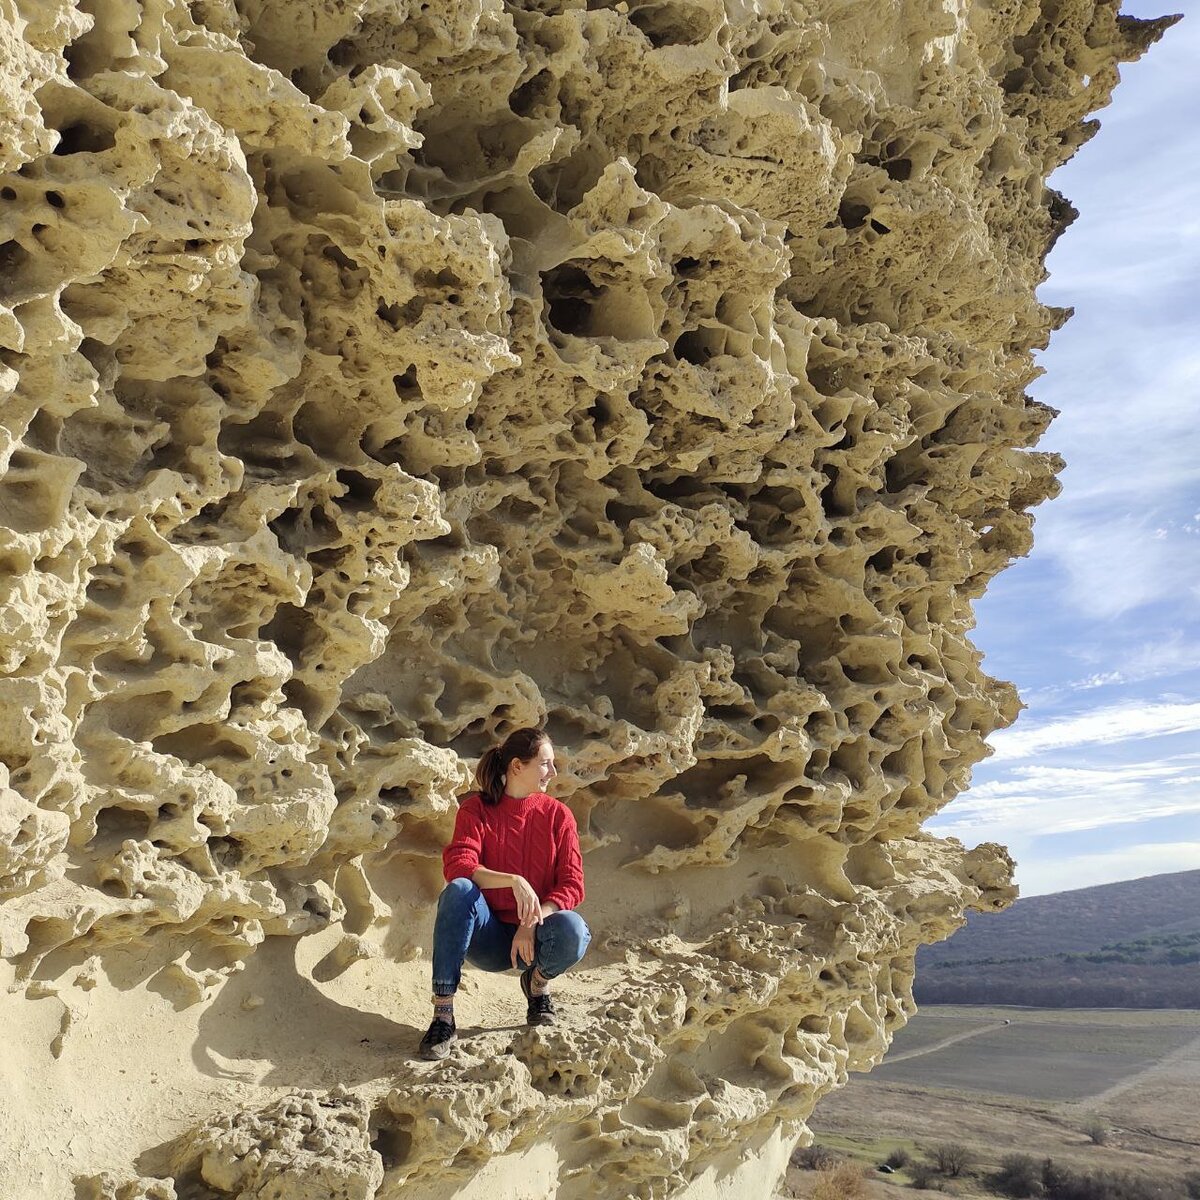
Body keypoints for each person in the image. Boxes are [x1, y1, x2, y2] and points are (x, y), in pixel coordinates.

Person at [418, 727, 590, 1060]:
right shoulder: (475, 810)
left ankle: (537, 986)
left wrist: (532, 920)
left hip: (536, 939)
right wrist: (513, 880)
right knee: (459, 890)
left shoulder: (559, 816)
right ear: (516, 766)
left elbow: (572, 883)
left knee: (574, 929)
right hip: (490, 940)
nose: (553, 773)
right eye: (545, 764)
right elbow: (459, 865)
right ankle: (443, 1015)